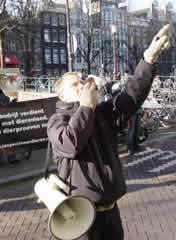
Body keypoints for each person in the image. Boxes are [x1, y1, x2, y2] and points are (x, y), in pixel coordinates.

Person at [46, 25, 170, 240]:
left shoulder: (100, 113)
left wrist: (148, 61)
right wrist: (85, 107)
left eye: (82, 81)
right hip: (81, 217)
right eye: (74, 84)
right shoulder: (57, 122)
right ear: (61, 94)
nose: (82, 85)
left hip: (111, 209)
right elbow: (70, 144)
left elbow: (130, 98)